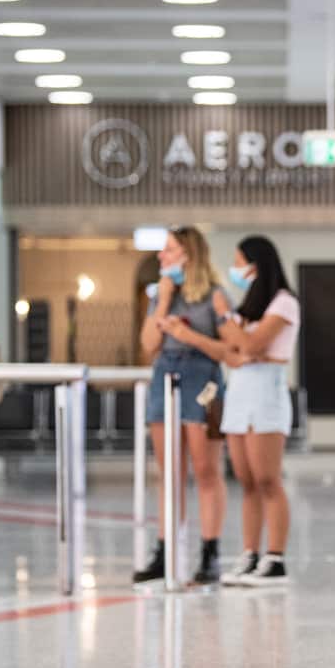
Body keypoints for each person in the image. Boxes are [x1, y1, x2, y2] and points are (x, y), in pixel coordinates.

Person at [135, 226, 230, 586]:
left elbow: (228, 352)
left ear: (189, 254)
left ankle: (210, 553)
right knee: (169, 472)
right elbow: (148, 344)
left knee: (206, 470)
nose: (162, 257)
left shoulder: (215, 297)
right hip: (165, 374)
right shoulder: (160, 295)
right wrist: (161, 301)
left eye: (170, 250)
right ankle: (164, 551)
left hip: (201, 375)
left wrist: (188, 335)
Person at [214, 236, 300, 586]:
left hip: (267, 394)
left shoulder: (284, 303)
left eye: (239, 262)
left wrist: (227, 320)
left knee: (268, 479)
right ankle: (250, 553)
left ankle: (275, 557)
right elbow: (229, 350)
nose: (235, 270)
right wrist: (240, 346)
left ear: (256, 264)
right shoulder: (249, 306)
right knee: (246, 481)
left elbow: (247, 344)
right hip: (239, 394)